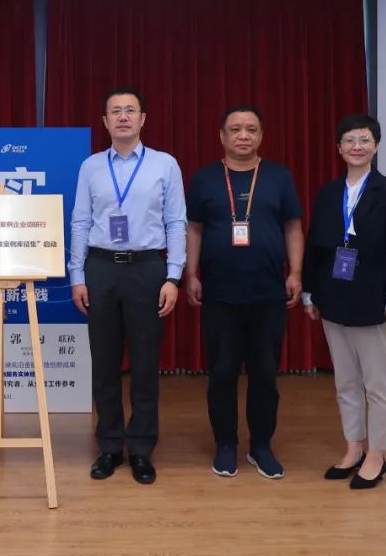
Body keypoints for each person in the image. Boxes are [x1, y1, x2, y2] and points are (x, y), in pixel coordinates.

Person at [69, 87, 187, 485]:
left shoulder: (164, 164)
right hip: (101, 268)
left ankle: (140, 448)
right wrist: (77, 276)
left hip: (147, 269)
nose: (123, 117)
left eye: (130, 110)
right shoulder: (91, 167)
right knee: (104, 364)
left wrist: (173, 276)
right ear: (105, 122)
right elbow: (80, 222)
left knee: (145, 364)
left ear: (142, 119)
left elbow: (176, 221)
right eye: (115, 111)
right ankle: (109, 446)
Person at [185, 104, 303, 480]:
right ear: (222, 136)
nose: (243, 135)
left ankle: (261, 446)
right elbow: (194, 229)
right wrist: (191, 274)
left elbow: (293, 227)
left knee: (265, 373)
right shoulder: (205, 178)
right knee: (222, 373)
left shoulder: (278, 176)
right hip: (219, 294)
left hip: (268, 293)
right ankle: (225, 444)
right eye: (235, 129)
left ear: (261, 135)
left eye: (251, 129)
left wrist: (295, 272)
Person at [302, 113, 386, 490]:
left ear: (376, 146)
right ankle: (354, 448)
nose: (357, 147)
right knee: (345, 381)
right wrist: (310, 291)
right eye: (349, 140)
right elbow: (316, 247)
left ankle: (377, 455)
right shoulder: (328, 193)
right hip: (334, 298)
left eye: (364, 140)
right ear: (339, 148)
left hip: (374, 299)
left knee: (378, 385)